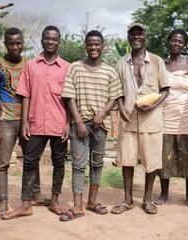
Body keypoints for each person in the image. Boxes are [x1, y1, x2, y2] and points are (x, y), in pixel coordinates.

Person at [2, 25, 70, 220]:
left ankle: (55, 200)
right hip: (36, 122)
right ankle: (25, 204)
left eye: (54, 39)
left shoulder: (67, 67)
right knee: (30, 162)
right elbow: (25, 95)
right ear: (41, 40)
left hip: (59, 124)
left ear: (59, 42)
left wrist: (68, 124)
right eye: (47, 38)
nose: (50, 42)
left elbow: (70, 99)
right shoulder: (30, 65)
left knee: (59, 162)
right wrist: (24, 122)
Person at [59, 30, 124, 221]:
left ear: (102, 47)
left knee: (96, 164)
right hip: (80, 124)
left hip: (100, 126)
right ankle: (78, 206)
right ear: (86, 46)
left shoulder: (110, 71)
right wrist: (78, 122)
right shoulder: (75, 68)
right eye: (90, 44)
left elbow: (114, 97)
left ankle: (92, 201)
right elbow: (69, 96)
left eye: (97, 44)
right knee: (78, 165)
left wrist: (102, 114)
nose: (94, 47)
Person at [0, 27, 48, 218]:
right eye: (11, 43)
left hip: (28, 120)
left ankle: (35, 194)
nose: (15, 47)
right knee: (3, 162)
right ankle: (3, 202)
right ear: (5, 44)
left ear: (23, 43)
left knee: (32, 159)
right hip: (5, 120)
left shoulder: (30, 65)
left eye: (18, 43)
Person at [112, 23, 170, 215]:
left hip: (151, 120)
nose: (136, 37)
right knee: (127, 160)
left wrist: (153, 105)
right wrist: (120, 107)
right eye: (132, 34)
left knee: (151, 160)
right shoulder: (121, 63)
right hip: (128, 118)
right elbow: (116, 90)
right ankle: (127, 199)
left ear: (145, 36)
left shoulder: (156, 61)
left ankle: (147, 199)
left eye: (140, 33)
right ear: (128, 37)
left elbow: (165, 89)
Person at [155, 29, 188, 206]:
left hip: (187, 116)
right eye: (173, 40)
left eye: (180, 41)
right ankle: (164, 193)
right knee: (165, 155)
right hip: (165, 116)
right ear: (168, 42)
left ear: (184, 45)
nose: (176, 44)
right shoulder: (161, 64)